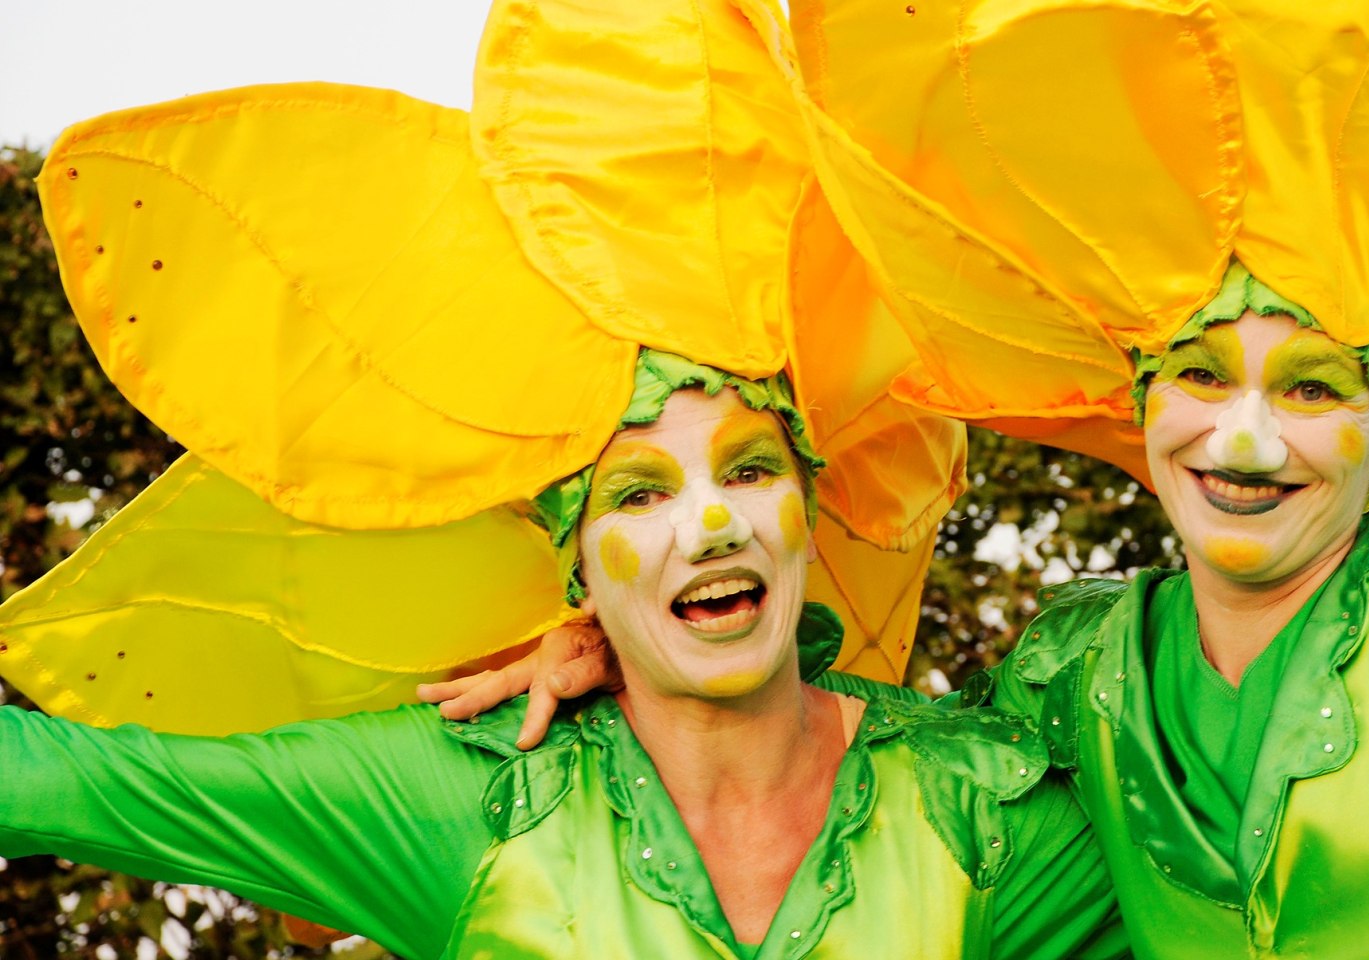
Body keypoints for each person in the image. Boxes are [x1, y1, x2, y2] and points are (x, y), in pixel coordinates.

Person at [455, 0, 1369, 955]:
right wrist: (639, 658)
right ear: (1138, 404)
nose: (1246, 440)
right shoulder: (1075, 675)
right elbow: (866, 791)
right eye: (1205, 381)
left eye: (1310, 392)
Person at [0, 1, 1125, 954]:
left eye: (749, 469)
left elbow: (1251, 767)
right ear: (574, 562)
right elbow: (66, 781)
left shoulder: (980, 802)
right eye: (640, 493)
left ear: (811, 503)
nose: (712, 521)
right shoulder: (476, 801)